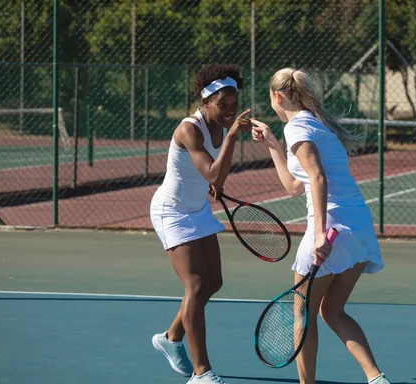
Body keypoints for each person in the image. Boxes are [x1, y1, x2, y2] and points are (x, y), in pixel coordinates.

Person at [250, 68, 391, 384]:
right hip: (358, 227)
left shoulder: (299, 128)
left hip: (331, 228)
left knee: (302, 314)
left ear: (277, 96)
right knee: (333, 311)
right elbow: (293, 185)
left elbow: (318, 177)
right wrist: (272, 143)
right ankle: (376, 378)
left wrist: (318, 235)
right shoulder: (316, 126)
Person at [150, 63, 251, 384]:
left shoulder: (220, 126)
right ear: (205, 101)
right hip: (172, 211)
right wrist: (234, 134)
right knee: (195, 284)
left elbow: (214, 176)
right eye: (222, 105)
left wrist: (215, 181)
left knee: (213, 283)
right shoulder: (189, 129)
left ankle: (170, 337)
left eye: (233, 105)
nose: (229, 111)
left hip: (197, 209)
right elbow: (212, 173)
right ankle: (201, 372)